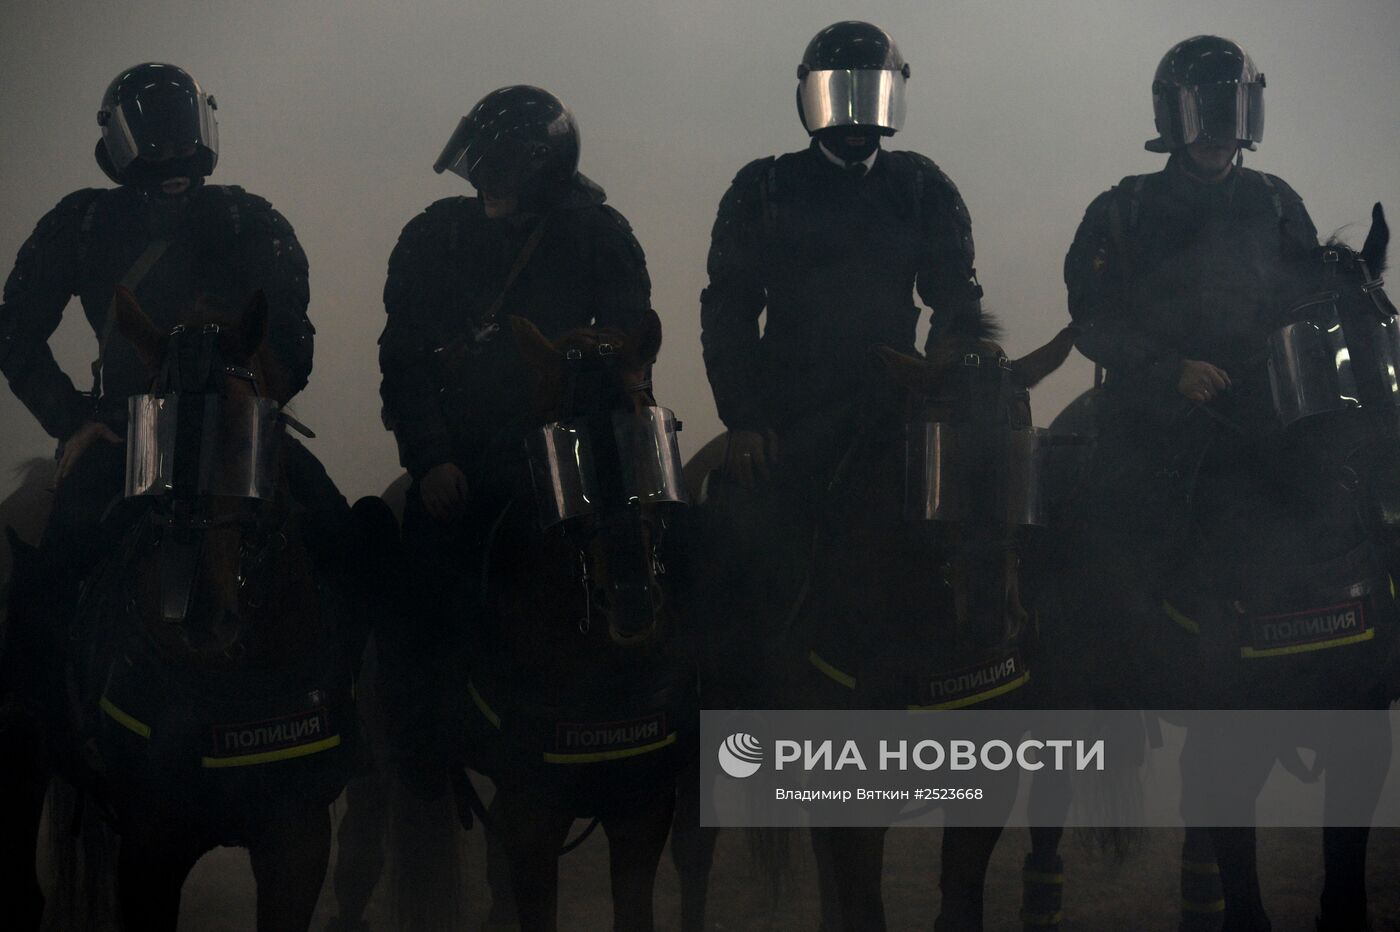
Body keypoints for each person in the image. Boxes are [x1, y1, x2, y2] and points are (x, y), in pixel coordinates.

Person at [376, 84, 651, 785]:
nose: (484, 183)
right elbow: (404, 359)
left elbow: (631, 342)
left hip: (582, 444)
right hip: (468, 453)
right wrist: (431, 459)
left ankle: (695, 702)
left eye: (497, 168)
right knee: (418, 583)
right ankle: (423, 747)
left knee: (678, 547)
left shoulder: (602, 233)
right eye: (481, 167)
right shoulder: (435, 235)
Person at [0, 62, 344, 577]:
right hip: (129, 434)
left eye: (183, 145)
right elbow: (15, 332)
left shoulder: (249, 221)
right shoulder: (82, 224)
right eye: (157, 148)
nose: (174, 160)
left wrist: (247, 409)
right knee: (56, 574)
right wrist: (74, 420)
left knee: (340, 541)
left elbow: (289, 335)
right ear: (125, 148)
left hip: (238, 427)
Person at [699, 19, 985, 487]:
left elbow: (956, 300)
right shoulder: (764, 188)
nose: (855, 116)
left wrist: (936, 391)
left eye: (869, 94)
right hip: (788, 411)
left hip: (895, 401)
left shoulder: (923, 187)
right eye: (842, 94)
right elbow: (729, 311)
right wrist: (744, 418)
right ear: (810, 95)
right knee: (738, 521)